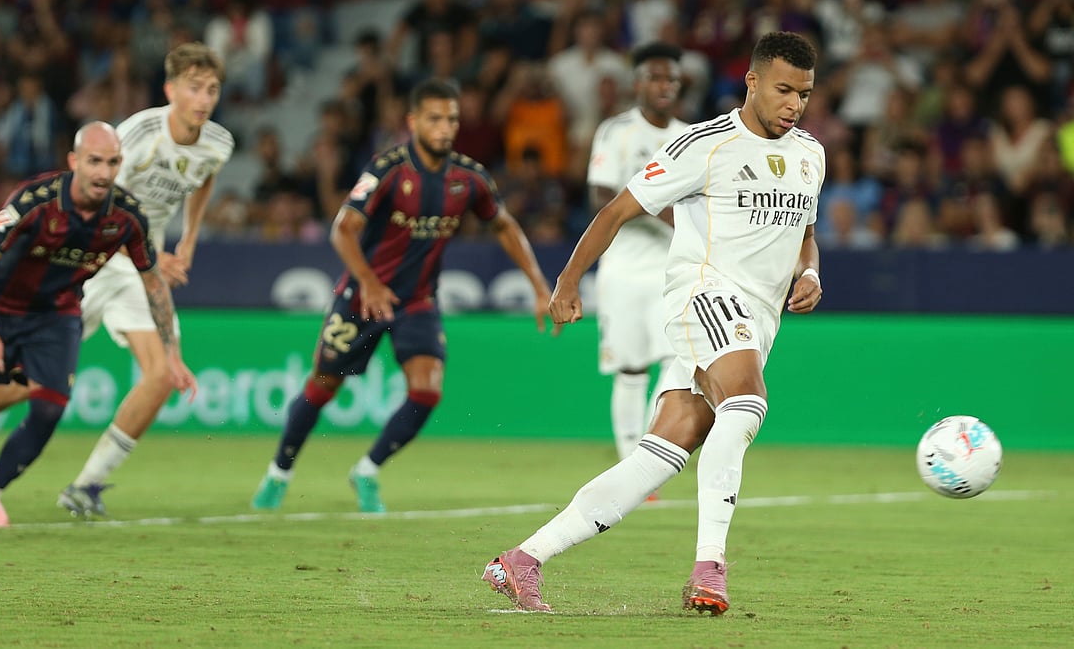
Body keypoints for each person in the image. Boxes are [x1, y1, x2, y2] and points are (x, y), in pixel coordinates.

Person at [480, 31, 826, 615]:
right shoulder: (705, 145)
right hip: (704, 295)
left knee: (661, 454)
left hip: (758, 321)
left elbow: (807, 238)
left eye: (805, 93)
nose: (795, 104)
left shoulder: (810, 154)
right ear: (753, 82)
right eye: (784, 89)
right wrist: (566, 283)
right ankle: (709, 570)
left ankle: (522, 559)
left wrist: (812, 274)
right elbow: (616, 209)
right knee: (746, 404)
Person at [0, 42, 234, 519]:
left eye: (212, 90)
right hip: (93, 256)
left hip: (141, 264)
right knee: (27, 383)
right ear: (170, 90)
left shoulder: (219, 142)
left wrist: (190, 239)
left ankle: (86, 485)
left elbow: (204, 176)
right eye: (194, 88)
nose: (204, 99)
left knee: (161, 376)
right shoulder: (138, 134)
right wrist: (155, 256)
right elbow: (95, 207)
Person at [251, 78, 555, 513]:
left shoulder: (469, 178)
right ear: (413, 121)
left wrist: (540, 285)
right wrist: (370, 282)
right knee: (322, 386)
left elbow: (504, 224)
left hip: (417, 301)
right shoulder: (389, 168)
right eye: (434, 118)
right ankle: (279, 472)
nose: (445, 127)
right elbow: (344, 228)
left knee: (427, 392)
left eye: (451, 118)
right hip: (362, 296)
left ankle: (367, 471)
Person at [0, 121, 195, 527]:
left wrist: (172, 354)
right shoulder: (34, 201)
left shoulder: (126, 217)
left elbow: (153, 283)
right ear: (74, 162)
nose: (103, 172)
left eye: (112, 163)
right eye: (94, 161)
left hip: (57, 315)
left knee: (49, 409)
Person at [586, 42, 688, 463]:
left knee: (675, 362)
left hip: (673, 270)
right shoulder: (617, 131)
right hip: (624, 268)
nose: (664, 86)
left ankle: (647, 457)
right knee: (629, 370)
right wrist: (657, 210)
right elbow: (600, 194)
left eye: (672, 80)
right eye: (656, 77)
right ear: (638, 83)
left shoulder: (690, 137)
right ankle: (629, 460)